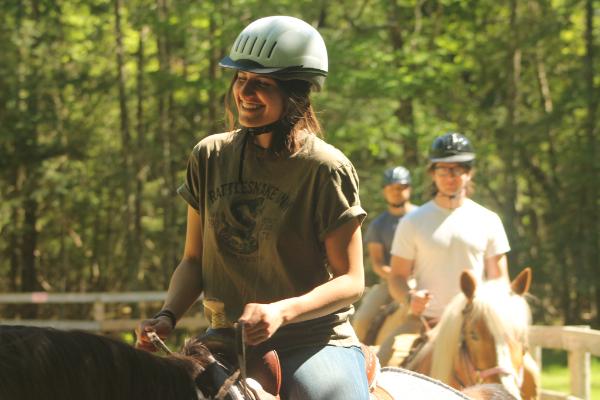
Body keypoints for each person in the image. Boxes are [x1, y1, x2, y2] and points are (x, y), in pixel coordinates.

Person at [135, 16, 369, 400]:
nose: (245, 92)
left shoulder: (326, 169)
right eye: (241, 79)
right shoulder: (208, 156)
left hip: (311, 341)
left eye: (262, 83)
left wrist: (282, 312)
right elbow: (193, 261)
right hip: (225, 340)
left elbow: (351, 281)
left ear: (296, 93)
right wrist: (167, 316)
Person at [378, 132, 511, 365]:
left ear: (469, 172)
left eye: (457, 169)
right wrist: (410, 298)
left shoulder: (489, 220)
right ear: (432, 173)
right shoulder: (413, 221)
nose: (450, 176)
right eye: (443, 170)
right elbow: (397, 278)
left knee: (524, 374)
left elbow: (499, 280)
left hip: (474, 326)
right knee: (385, 366)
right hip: (424, 322)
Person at [352, 166, 417, 343]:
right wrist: (397, 276)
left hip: (423, 281)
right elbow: (377, 263)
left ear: (409, 188)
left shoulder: (422, 217)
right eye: (391, 188)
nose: (396, 192)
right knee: (361, 321)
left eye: (401, 187)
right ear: (384, 191)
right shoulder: (378, 225)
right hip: (389, 283)